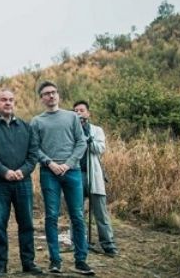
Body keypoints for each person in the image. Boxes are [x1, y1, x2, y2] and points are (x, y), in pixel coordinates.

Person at [0, 89, 42, 277]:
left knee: (27, 223)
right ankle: (0, 266)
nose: (8, 103)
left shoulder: (26, 127)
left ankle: (28, 263)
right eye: (3, 100)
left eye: (11, 100)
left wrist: (22, 171)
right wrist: (5, 172)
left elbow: (33, 154)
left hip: (23, 182)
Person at [32, 81, 93, 275]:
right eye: (47, 93)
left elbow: (81, 143)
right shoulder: (37, 121)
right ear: (42, 98)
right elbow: (34, 148)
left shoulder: (71, 117)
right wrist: (50, 163)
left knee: (77, 215)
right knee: (51, 216)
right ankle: (55, 260)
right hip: (49, 172)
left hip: (72, 171)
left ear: (58, 95)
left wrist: (68, 164)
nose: (51, 96)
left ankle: (80, 260)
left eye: (54, 92)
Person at [73, 100, 118, 257]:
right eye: (76, 111)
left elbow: (100, 148)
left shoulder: (96, 130)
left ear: (88, 113)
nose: (79, 113)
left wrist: (86, 136)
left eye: (81, 110)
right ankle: (78, 243)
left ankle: (108, 244)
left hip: (94, 175)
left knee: (101, 212)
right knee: (77, 212)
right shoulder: (70, 130)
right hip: (76, 175)